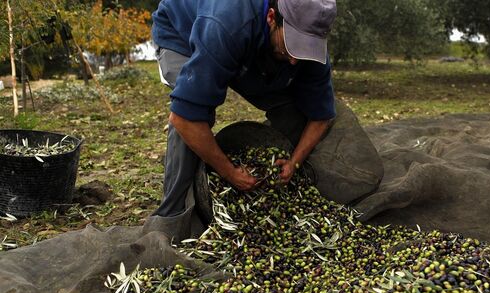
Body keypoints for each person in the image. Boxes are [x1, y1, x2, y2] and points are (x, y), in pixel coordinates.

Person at [145, 0, 384, 240]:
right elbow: (184, 118)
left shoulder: (304, 47)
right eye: (292, 46)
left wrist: (294, 162)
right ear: (272, 17)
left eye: (306, 48)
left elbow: (321, 116)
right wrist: (229, 173)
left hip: (249, 44)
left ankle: (282, 181)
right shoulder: (227, 23)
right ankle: (171, 218)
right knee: (195, 112)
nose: (295, 60)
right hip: (181, 33)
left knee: (294, 105)